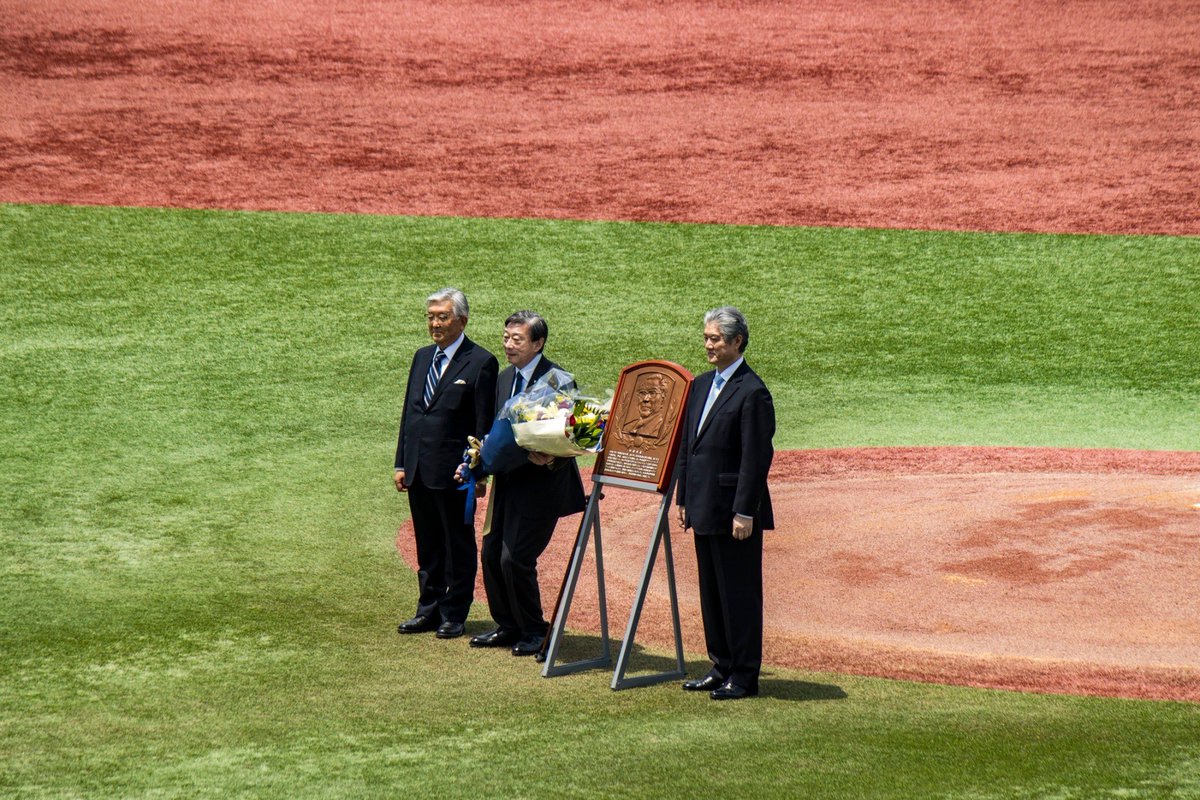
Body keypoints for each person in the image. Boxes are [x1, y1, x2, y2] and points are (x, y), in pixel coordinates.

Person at [469, 310, 586, 656]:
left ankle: (535, 630)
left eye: (517, 339)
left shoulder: (558, 380)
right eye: (506, 337)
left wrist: (553, 457)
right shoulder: (505, 379)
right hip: (508, 483)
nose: (508, 344)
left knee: (515, 558)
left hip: (540, 486)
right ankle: (507, 624)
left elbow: (575, 434)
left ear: (538, 343)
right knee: (491, 554)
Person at [675, 306, 775, 700]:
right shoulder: (700, 384)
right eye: (706, 338)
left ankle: (745, 675)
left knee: (739, 594)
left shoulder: (753, 391)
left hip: (735, 511)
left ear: (737, 341)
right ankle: (721, 665)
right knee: (712, 591)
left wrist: (745, 510)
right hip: (703, 505)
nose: (708, 345)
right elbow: (688, 445)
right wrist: (684, 496)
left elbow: (756, 457)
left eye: (715, 339)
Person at [394, 288, 498, 639]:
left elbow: (483, 424)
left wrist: (478, 471)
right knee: (428, 544)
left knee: (457, 545)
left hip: (455, 473)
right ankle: (428, 609)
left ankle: (455, 613)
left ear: (462, 321)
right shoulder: (422, 357)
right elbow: (410, 415)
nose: (435, 323)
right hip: (419, 469)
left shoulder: (481, 361)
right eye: (431, 317)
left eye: (442, 317)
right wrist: (401, 463)